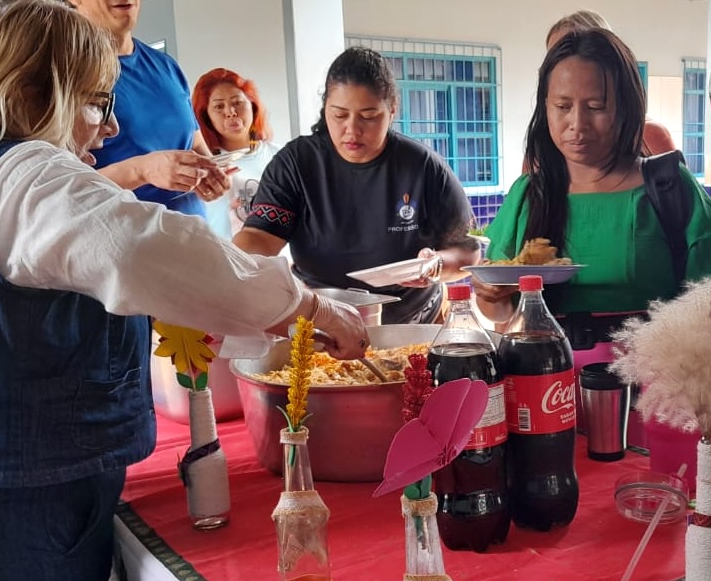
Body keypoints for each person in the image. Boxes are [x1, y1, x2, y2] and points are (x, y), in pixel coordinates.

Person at [0, 2, 369, 581]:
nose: (108, 129)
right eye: (97, 103)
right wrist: (309, 306)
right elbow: (157, 251)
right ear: (34, 93)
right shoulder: (25, 176)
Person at [475, 29, 711, 369]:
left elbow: (704, 304)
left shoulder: (669, 188)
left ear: (626, 109)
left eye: (596, 107)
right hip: (546, 379)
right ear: (545, 108)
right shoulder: (528, 194)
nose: (577, 124)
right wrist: (491, 297)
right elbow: (500, 311)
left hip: (657, 381)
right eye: (562, 106)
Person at [232, 46, 479, 325]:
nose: (352, 130)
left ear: (392, 110)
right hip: (322, 319)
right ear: (325, 108)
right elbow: (260, 236)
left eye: (369, 116)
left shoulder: (422, 166)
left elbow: (467, 250)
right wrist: (231, 268)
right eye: (339, 115)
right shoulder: (296, 163)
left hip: (413, 321)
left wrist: (436, 265)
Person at [66, 0, 230, 218]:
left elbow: (195, 143)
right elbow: (61, 194)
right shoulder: (61, 75)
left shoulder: (166, 66)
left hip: (191, 233)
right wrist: (140, 171)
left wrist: (212, 175)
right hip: (123, 235)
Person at [545, 9, 676, 157]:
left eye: (595, 107)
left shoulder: (650, 136)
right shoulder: (542, 148)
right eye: (555, 57)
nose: (577, 124)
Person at [191, 67, 281, 239]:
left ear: (252, 105)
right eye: (219, 106)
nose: (231, 112)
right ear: (206, 116)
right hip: (221, 254)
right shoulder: (202, 166)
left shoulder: (281, 157)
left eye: (237, 102)